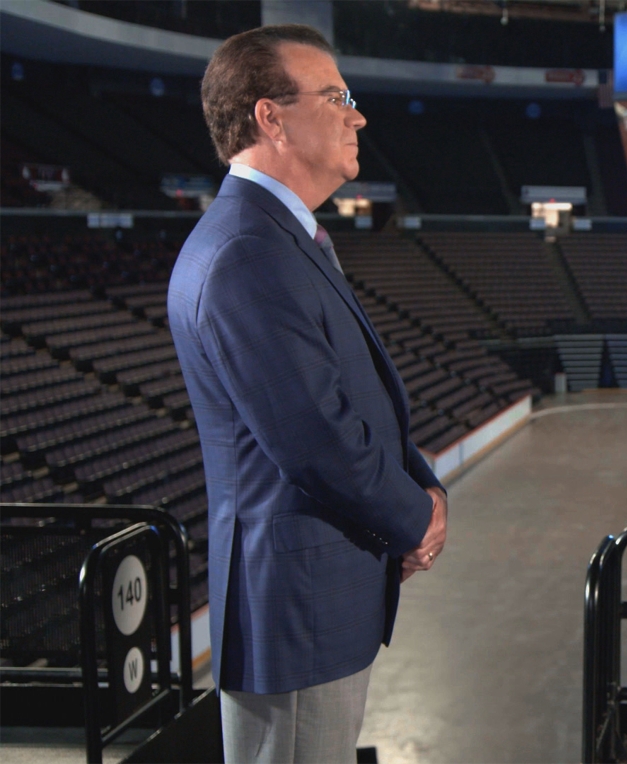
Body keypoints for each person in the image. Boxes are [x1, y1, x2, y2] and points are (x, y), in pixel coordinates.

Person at [167, 25, 448, 763]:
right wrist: (417, 516)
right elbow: (317, 440)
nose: (357, 115)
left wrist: (425, 484)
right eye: (336, 97)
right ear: (271, 117)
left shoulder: (285, 239)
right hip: (294, 611)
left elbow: (356, 399)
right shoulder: (246, 254)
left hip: (321, 595)